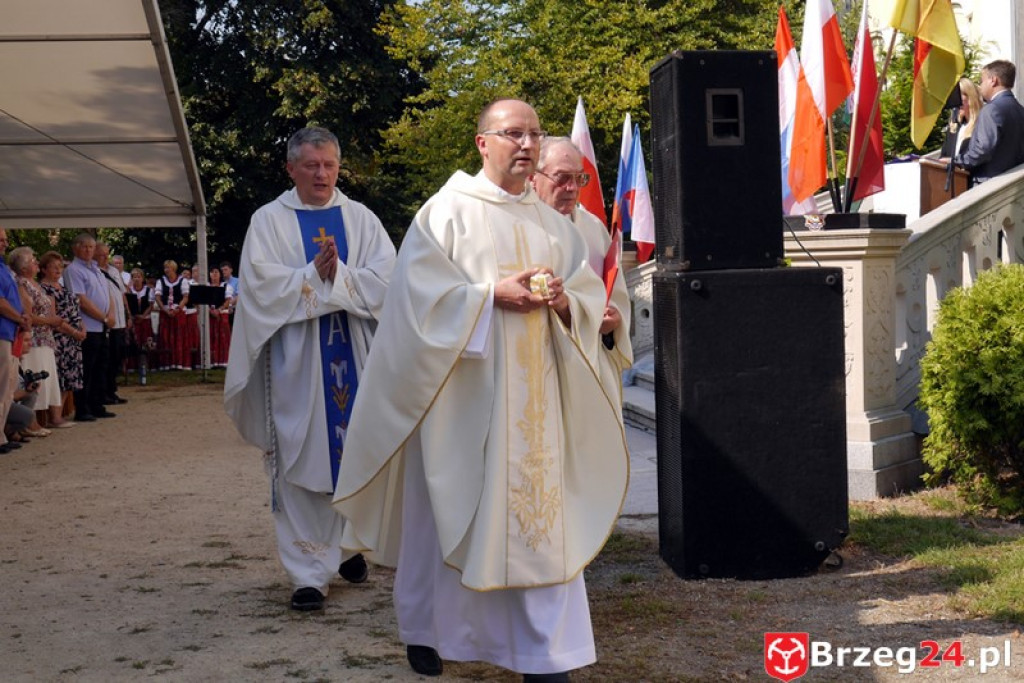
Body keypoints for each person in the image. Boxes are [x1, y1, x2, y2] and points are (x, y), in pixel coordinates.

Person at [332, 99, 629, 682]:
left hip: (541, 407)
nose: (526, 145)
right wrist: (490, 294)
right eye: (512, 133)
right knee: (444, 518)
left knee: (545, 526)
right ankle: (427, 632)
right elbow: (415, 305)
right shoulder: (444, 214)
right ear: (482, 143)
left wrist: (571, 302)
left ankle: (548, 658)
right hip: (461, 402)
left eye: (534, 135)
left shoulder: (554, 225)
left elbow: (585, 290)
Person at [224, 126, 396, 612]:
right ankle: (307, 573)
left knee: (356, 454)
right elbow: (257, 289)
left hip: (356, 358)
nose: (322, 174)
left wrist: (337, 276)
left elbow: (390, 279)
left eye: (329, 165)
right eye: (311, 166)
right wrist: (311, 276)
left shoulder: (361, 219)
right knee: (303, 460)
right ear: (290, 168)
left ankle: (347, 548)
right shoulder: (268, 221)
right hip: (297, 363)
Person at [530, 136, 633, 406]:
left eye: (579, 178)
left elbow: (615, 291)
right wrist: (575, 311)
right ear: (533, 178)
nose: (573, 187)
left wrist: (613, 321)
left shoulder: (593, 227)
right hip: (540, 366)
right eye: (562, 177)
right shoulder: (520, 226)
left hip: (591, 363)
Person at [9, 246, 72, 429]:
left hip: (46, 338)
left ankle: (48, 418)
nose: (36, 262)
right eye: (32, 261)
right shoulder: (22, 283)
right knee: (33, 377)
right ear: (22, 267)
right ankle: (31, 422)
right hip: (33, 339)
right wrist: (50, 320)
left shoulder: (34, 283)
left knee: (47, 377)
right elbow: (27, 314)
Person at [61, 233, 116, 422]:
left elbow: (107, 294)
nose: (88, 250)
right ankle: (82, 407)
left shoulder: (96, 269)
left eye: (91, 247)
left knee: (101, 366)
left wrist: (112, 315)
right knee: (87, 368)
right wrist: (103, 317)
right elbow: (81, 300)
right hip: (88, 326)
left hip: (102, 326)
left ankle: (97, 403)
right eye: (84, 246)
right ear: (75, 248)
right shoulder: (74, 270)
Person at [954, 60, 1024, 185]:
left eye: (982, 80)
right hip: (1013, 185)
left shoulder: (991, 110)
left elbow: (982, 150)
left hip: (988, 185)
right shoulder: (1020, 109)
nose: (980, 86)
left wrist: (957, 161)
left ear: (993, 80)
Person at [38, 251, 86, 418]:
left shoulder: (63, 287)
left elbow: (74, 311)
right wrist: (74, 332)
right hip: (60, 339)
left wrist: (82, 328)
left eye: (60, 266)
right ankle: (55, 417)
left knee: (70, 379)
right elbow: (54, 318)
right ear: (43, 269)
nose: (58, 270)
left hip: (73, 339)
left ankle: (60, 414)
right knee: (60, 377)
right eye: (54, 267)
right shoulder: (43, 289)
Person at [0, 228, 31, 454]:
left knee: (7, 386)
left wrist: (24, 316)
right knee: (1, 385)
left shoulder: (3, 268)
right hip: (2, 331)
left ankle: (1, 433)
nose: (4, 243)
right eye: (0, 240)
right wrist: (19, 317)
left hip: (11, 332)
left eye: (4, 239)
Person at [95, 242, 129, 404]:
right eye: (101, 254)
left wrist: (128, 315)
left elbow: (122, 294)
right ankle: (103, 393)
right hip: (107, 322)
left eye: (106, 254)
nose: (105, 257)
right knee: (106, 360)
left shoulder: (114, 271)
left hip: (120, 321)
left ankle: (112, 390)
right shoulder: (95, 272)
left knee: (116, 357)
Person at [153, 260, 190, 369]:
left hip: (178, 312)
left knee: (179, 337)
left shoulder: (182, 280)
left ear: (173, 268)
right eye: (165, 268)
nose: (166, 270)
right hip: (165, 312)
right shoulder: (161, 281)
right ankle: (166, 364)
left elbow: (185, 297)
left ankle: (179, 363)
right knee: (165, 337)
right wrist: (164, 310)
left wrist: (178, 309)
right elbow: (157, 297)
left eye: (168, 268)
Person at [206, 266, 233, 368]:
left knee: (223, 337)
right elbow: (204, 301)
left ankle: (223, 361)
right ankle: (211, 361)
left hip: (222, 314)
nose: (214, 274)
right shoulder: (207, 286)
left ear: (220, 274)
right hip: (210, 314)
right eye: (212, 272)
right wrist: (210, 310)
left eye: (216, 272)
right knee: (211, 337)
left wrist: (218, 310)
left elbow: (228, 301)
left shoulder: (226, 286)